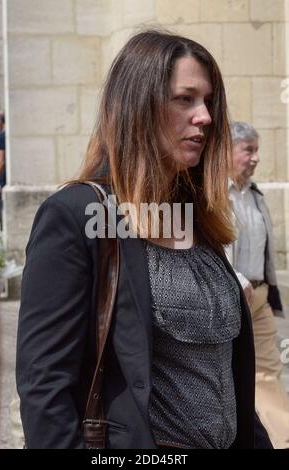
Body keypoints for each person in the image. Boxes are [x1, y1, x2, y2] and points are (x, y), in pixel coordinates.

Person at [16, 30, 272, 449]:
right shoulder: (79, 215)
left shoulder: (195, 217)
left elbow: (227, 384)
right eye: (185, 99)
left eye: (208, 101)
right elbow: (43, 388)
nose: (205, 116)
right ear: (138, 106)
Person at [226, 121, 289, 449]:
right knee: (229, 375)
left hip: (259, 295)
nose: (256, 158)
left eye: (257, 150)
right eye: (248, 150)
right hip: (229, 296)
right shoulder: (212, 194)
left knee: (267, 371)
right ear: (229, 151)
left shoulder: (256, 195)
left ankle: (282, 440)